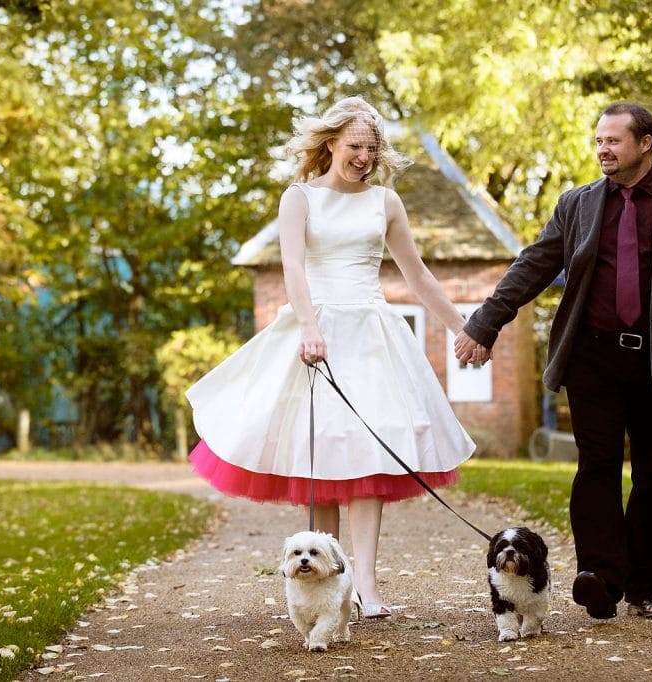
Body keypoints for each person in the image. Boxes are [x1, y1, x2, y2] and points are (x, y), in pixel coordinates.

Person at [187, 96, 481, 618]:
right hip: (316, 332)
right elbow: (294, 270)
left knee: (370, 453)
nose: (364, 157)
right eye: (354, 146)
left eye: (372, 148)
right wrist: (308, 326)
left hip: (372, 335)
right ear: (330, 144)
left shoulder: (386, 203)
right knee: (320, 459)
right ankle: (327, 589)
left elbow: (417, 275)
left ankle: (365, 585)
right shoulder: (298, 199)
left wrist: (466, 328)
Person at [455, 102, 652, 620]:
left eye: (614, 141)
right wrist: (486, 320)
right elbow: (535, 263)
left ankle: (648, 587)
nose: (602, 149)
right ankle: (600, 577)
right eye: (599, 140)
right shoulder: (577, 204)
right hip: (594, 357)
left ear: (645, 144)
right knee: (596, 467)